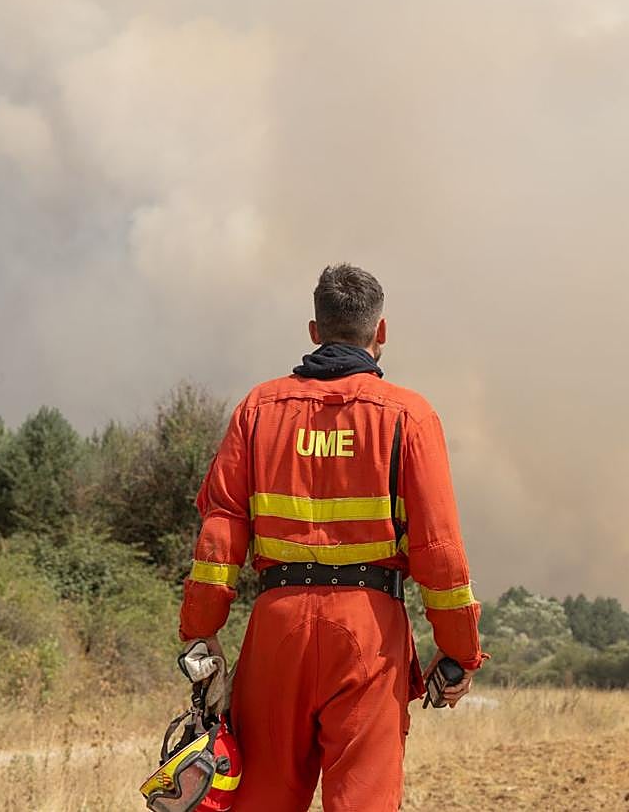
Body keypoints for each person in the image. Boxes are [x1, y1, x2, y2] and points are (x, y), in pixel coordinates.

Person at [178, 263, 487, 811]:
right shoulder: (408, 417)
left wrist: (202, 632)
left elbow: (221, 529)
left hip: (276, 631)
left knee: (262, 801)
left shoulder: (258, 409)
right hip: (369, 635)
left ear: (314, 331)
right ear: (381, 333)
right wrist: (459, 651)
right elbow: (439, 552)